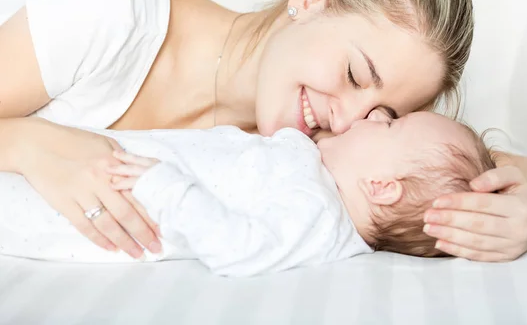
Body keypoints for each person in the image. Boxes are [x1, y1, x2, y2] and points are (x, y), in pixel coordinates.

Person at [0, 0, 527, 262]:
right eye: (356, 72)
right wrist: (28, 142)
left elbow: (490, 170)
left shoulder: (311, 155)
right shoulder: (113, 16)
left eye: (384, 117)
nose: (347, 119)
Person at [1, 112, 497, 276]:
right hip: (82, 162)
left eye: (390, 124)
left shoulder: (319, 214)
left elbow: (239, 248)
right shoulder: (314, 168)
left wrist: (165, 188)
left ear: (382, 188)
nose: (372, 116)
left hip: (88, 207)